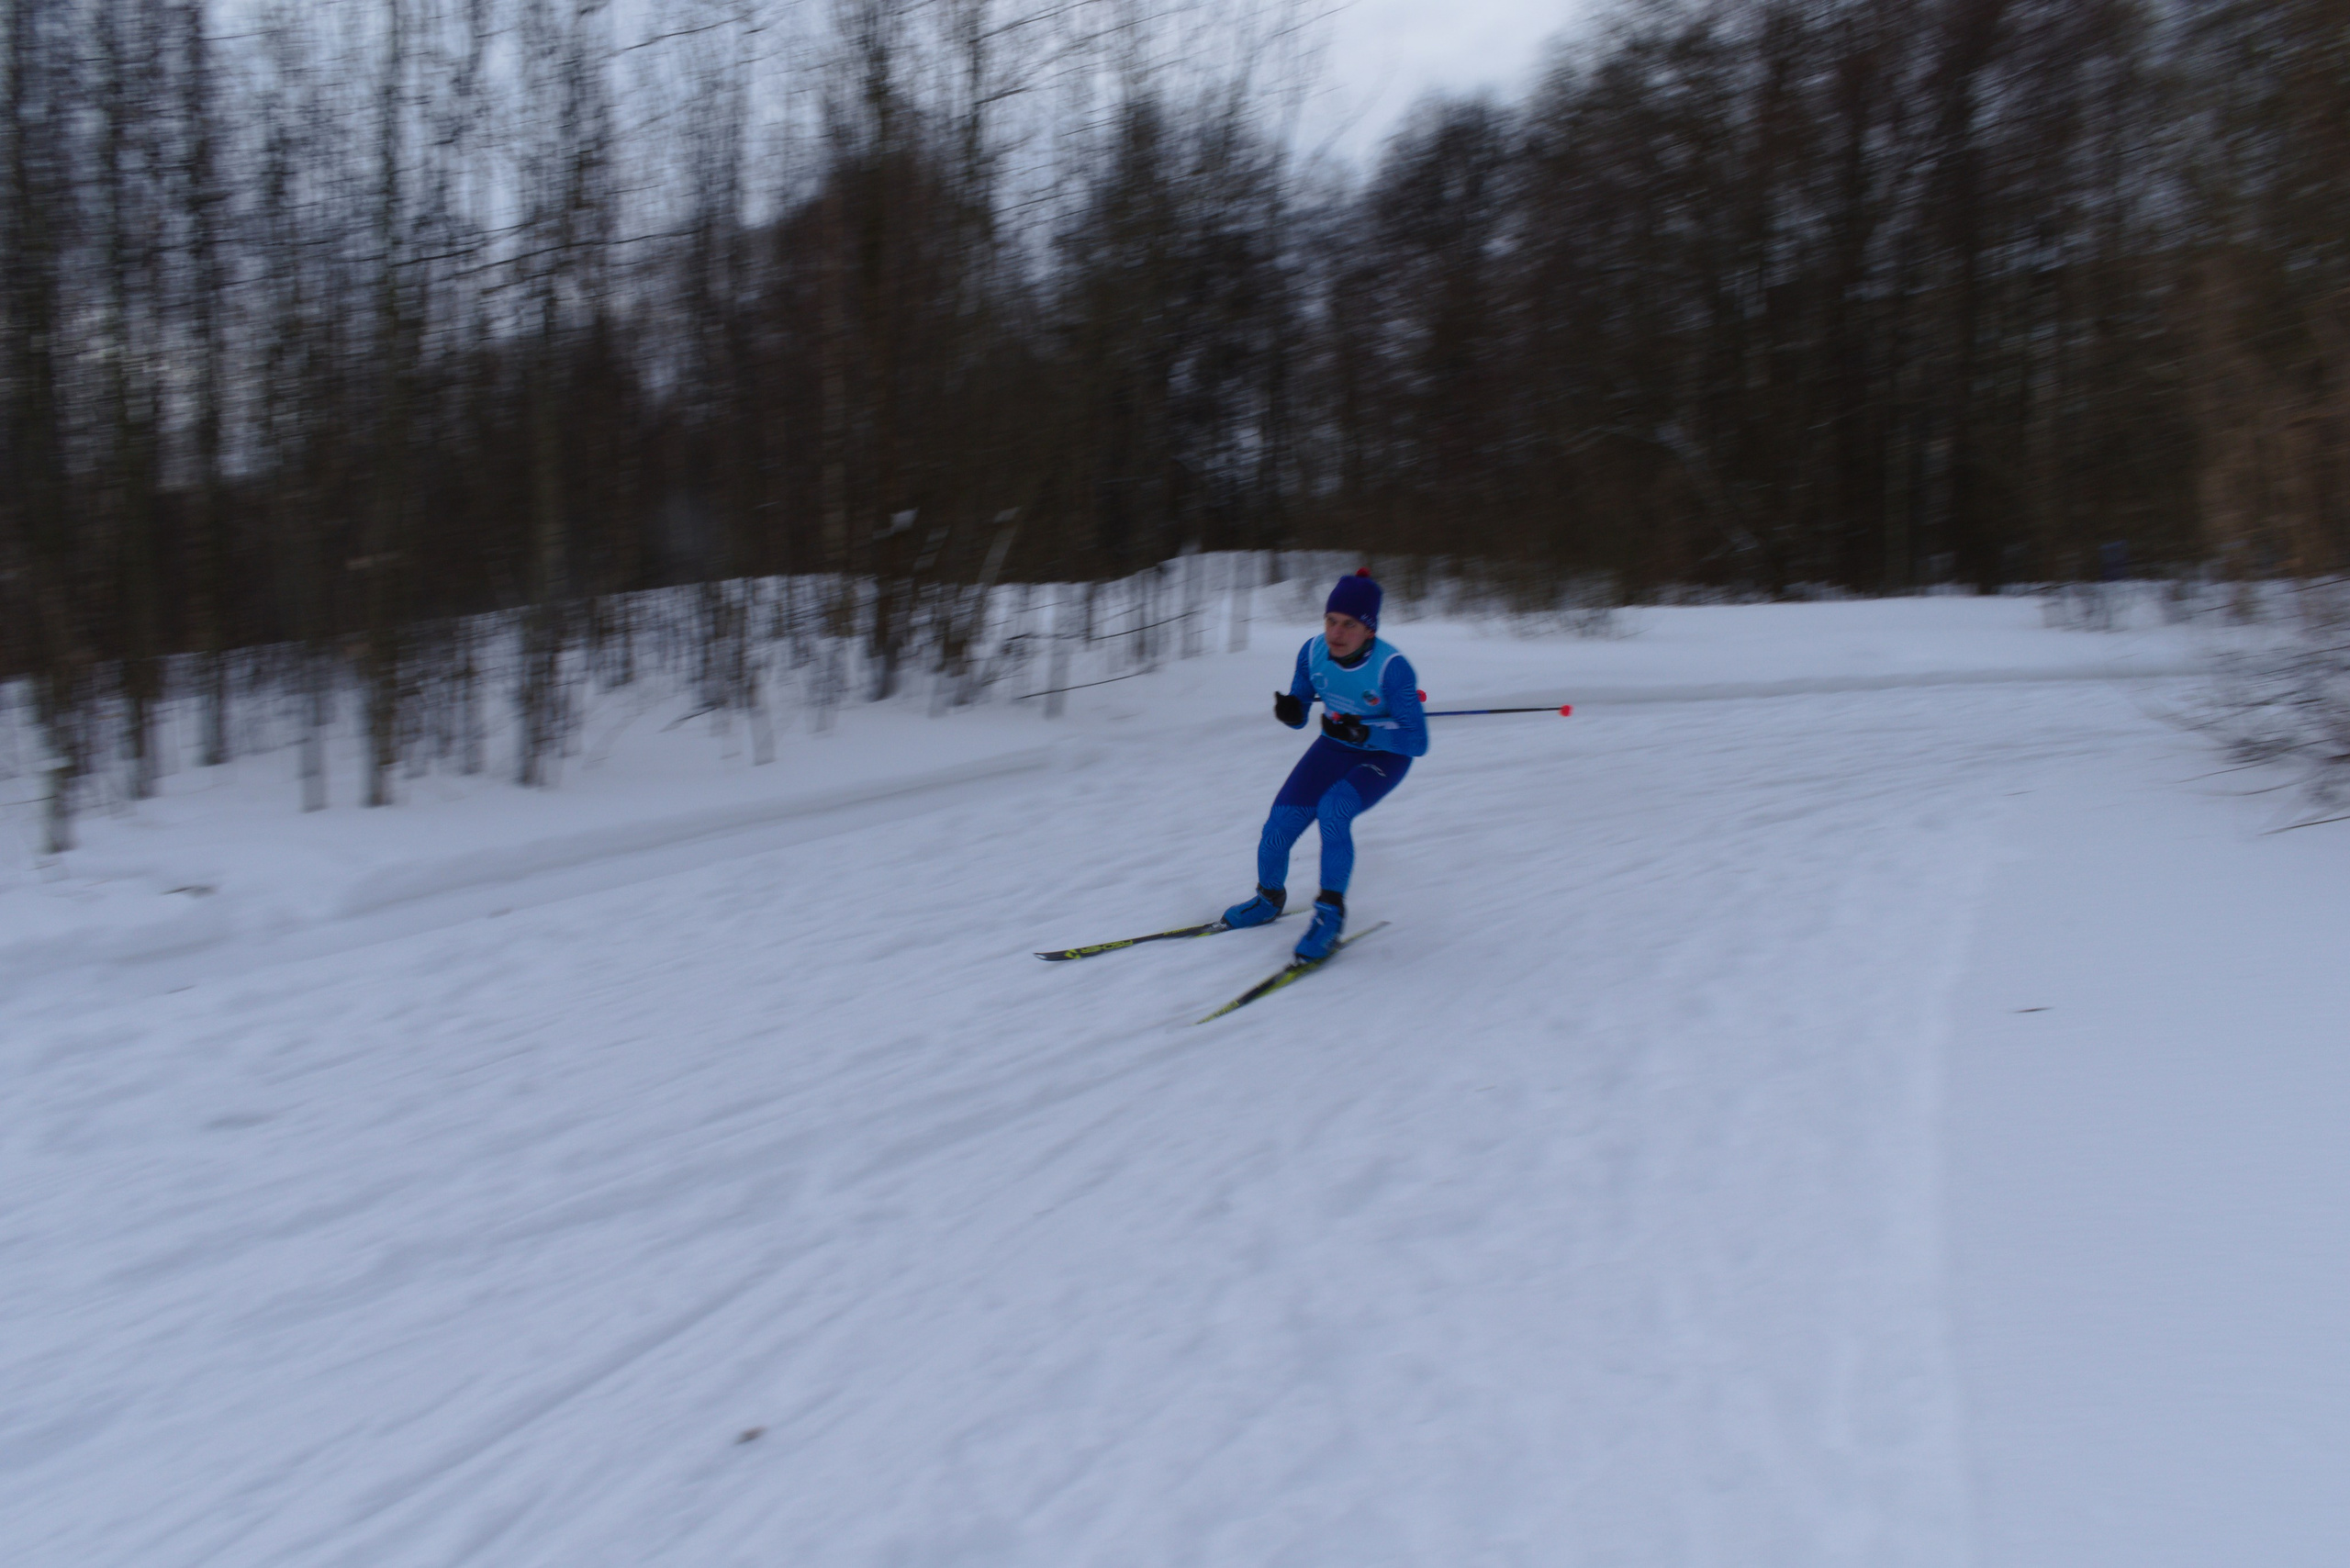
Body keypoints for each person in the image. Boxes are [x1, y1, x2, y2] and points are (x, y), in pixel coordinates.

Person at [1222, 568, 1428, 961]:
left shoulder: (1392, 668)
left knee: (1335, 809)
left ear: (1369, 630)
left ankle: (1330, 917)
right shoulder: (1312, 652)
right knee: (1279, 823)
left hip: (1385, 755)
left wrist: (1368, 736)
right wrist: (1290, 710)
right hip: (1333, 746)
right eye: (1331, 621)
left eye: (1349, 625)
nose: (1336, 632)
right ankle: (1268, 899)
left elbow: (1417, 741)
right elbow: (1301, 712)